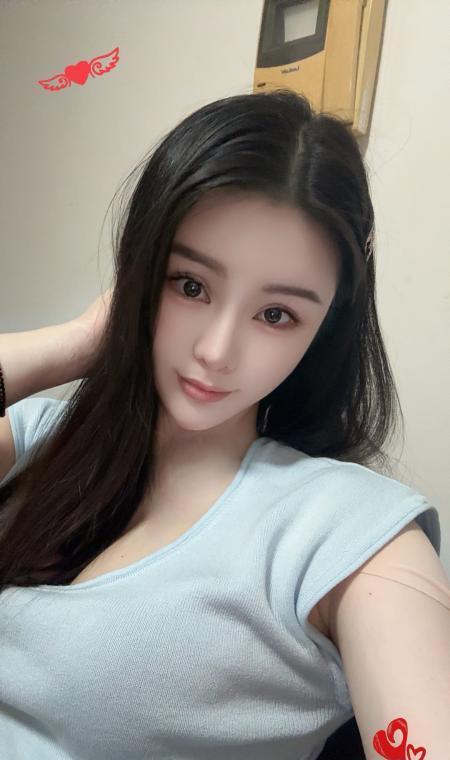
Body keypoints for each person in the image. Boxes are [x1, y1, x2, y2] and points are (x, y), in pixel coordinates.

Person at [0, 90, 448, 760]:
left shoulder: (346, 534)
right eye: (190, 285)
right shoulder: (44, 438)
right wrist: (76, 341)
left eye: (276, 315)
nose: (216, 350)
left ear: (324, 328)